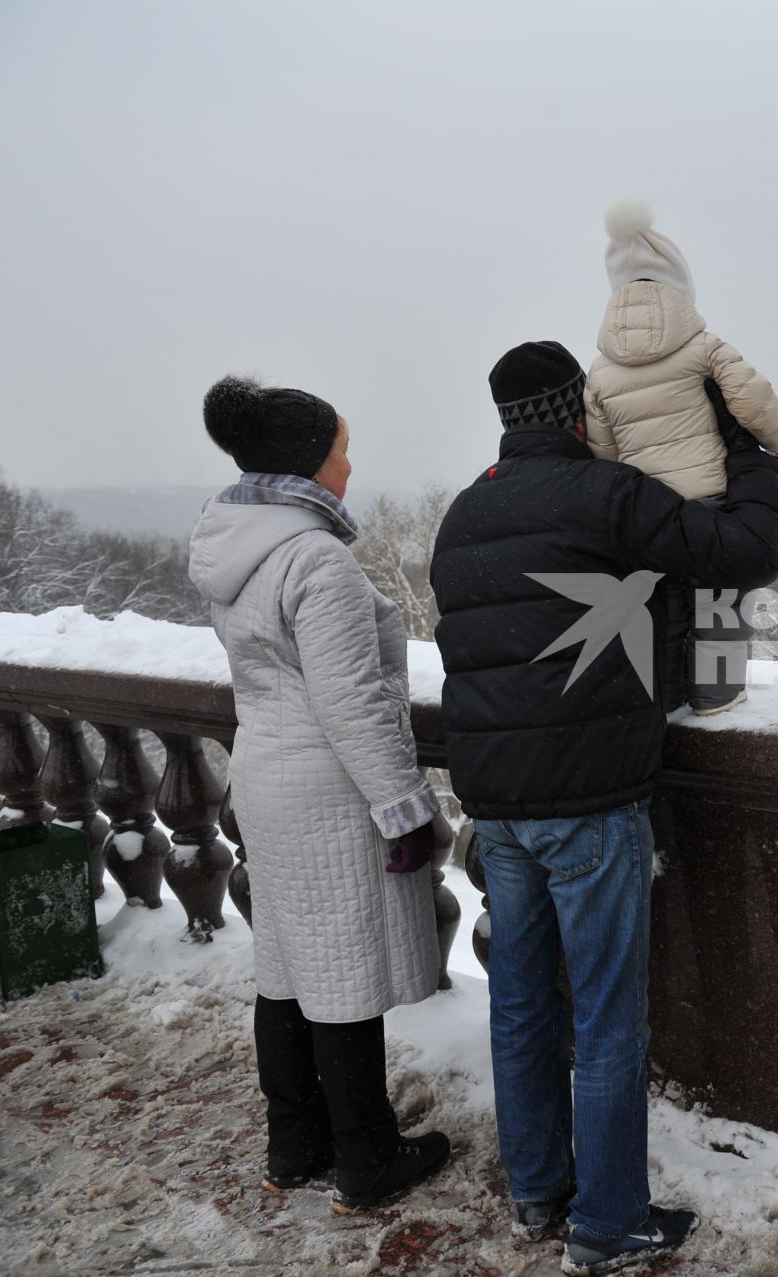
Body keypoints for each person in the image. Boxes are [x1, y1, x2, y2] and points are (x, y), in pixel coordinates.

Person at [430, 340, 778, 1276]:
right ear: (582, 411)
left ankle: (537, 1190)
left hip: (495, 805)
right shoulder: (605, 495)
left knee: (520, 1004)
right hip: (588, 798)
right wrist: (747, 451)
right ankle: (609, 1221)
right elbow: (745, 554)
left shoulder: (464, 512)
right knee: (607, 1018)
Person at [187, 375, 453, 1214]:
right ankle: (367, 1157)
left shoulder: (236, 550)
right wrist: (405, 807)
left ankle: (294, 1144)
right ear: (308, 464)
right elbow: (352, 701)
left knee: (286, 968)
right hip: (327, 790)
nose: (350, 465)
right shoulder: (316, 559)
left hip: (263, 769)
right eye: (342, 449)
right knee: (339, 975)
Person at [583, 199, 778, 715]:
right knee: (719, 596)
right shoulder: (705, 347)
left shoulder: (601, 373)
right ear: (680, 289)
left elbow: (603, 453)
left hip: (649, 512)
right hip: (712, 499)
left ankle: (669, 692)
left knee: (665, 604)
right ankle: (717, 693)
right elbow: (753, 400)